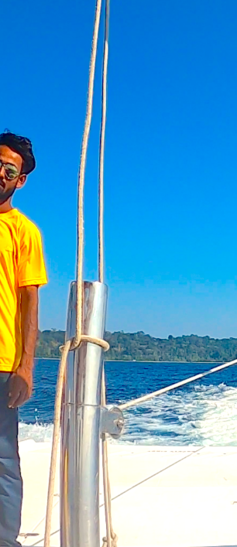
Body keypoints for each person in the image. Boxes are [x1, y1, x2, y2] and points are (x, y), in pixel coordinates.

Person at [0, 132, 47, 547]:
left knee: (2, 460)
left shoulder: (24, 232)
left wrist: (25, 366)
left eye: (9, 170)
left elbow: (30, 304)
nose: (0, 173)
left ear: (20, 181)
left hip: (1, 363)